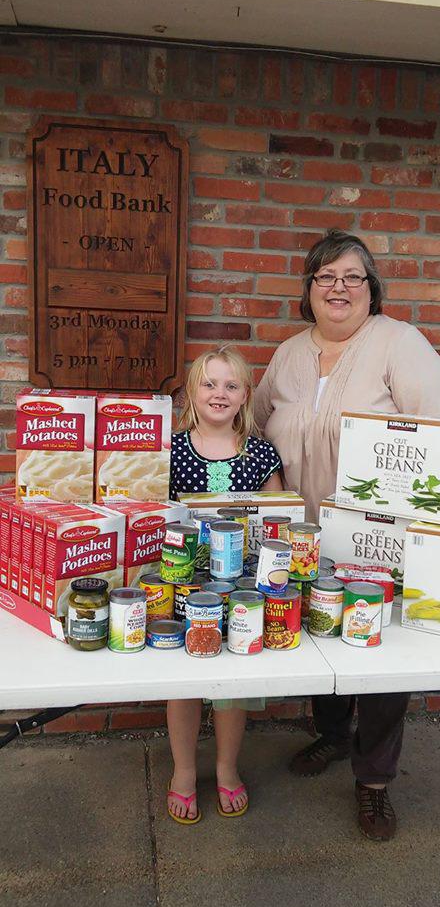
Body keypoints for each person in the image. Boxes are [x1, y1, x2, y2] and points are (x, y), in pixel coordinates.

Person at [255, 229, 440, 841]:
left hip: (380, 542)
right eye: (325, 277)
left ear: (371, 290)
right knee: (322, 634)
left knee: (379, 657)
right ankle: (333, 734)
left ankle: (374, 783)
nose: (338, 288)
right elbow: (256, 426)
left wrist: (429, 529)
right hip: (303, 537)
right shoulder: (288, 354)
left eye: (352, 277)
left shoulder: (402, 345)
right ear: (309, 290)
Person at [167, 345, 282, 824]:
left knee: (232, 682)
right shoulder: (170, 450)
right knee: (185, 680)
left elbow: (280, 519)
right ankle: (184, 771)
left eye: (231, 385)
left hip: (242, 589)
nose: (219, 393)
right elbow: (151, 514)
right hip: (181, 585)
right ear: (193, 391)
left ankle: (227, 766)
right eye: (210, 383)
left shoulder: (260, 453)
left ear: (245, 396)